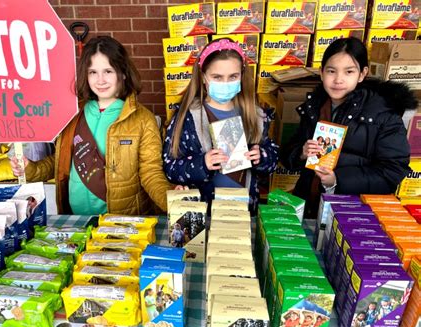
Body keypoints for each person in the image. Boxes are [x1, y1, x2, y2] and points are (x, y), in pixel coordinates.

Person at [10, 36, 173, 216]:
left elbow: (151, 173)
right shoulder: (72, 114)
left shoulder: (143, 120)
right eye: (93, 72)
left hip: (119, 222)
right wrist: (31, 169)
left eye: (108, 71)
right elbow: (60, 162)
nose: (100, 80)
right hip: (75, 220)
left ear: (123, 73)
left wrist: (173, 202)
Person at [281, 37, 417, 218]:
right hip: (310, 207)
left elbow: (393, 171)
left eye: (349, 72)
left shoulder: (383, 114)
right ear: (321, 73)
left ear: (362, 74)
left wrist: (338, 180)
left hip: (352, 214)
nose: (338, 79)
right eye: (331, 71)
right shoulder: (315, 106)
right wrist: (302, 152)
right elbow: (289, 155)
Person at [163, 38, 278, 214]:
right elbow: (170, 167)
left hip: (244, 211)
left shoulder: (254, 115)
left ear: (242, 75)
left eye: (233, 76)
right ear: (203, 77)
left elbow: (273, 158)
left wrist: (260, 157)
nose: (225, 83)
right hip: (204, 213)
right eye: (217, 77)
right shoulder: (187, 117)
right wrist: (202, 163)